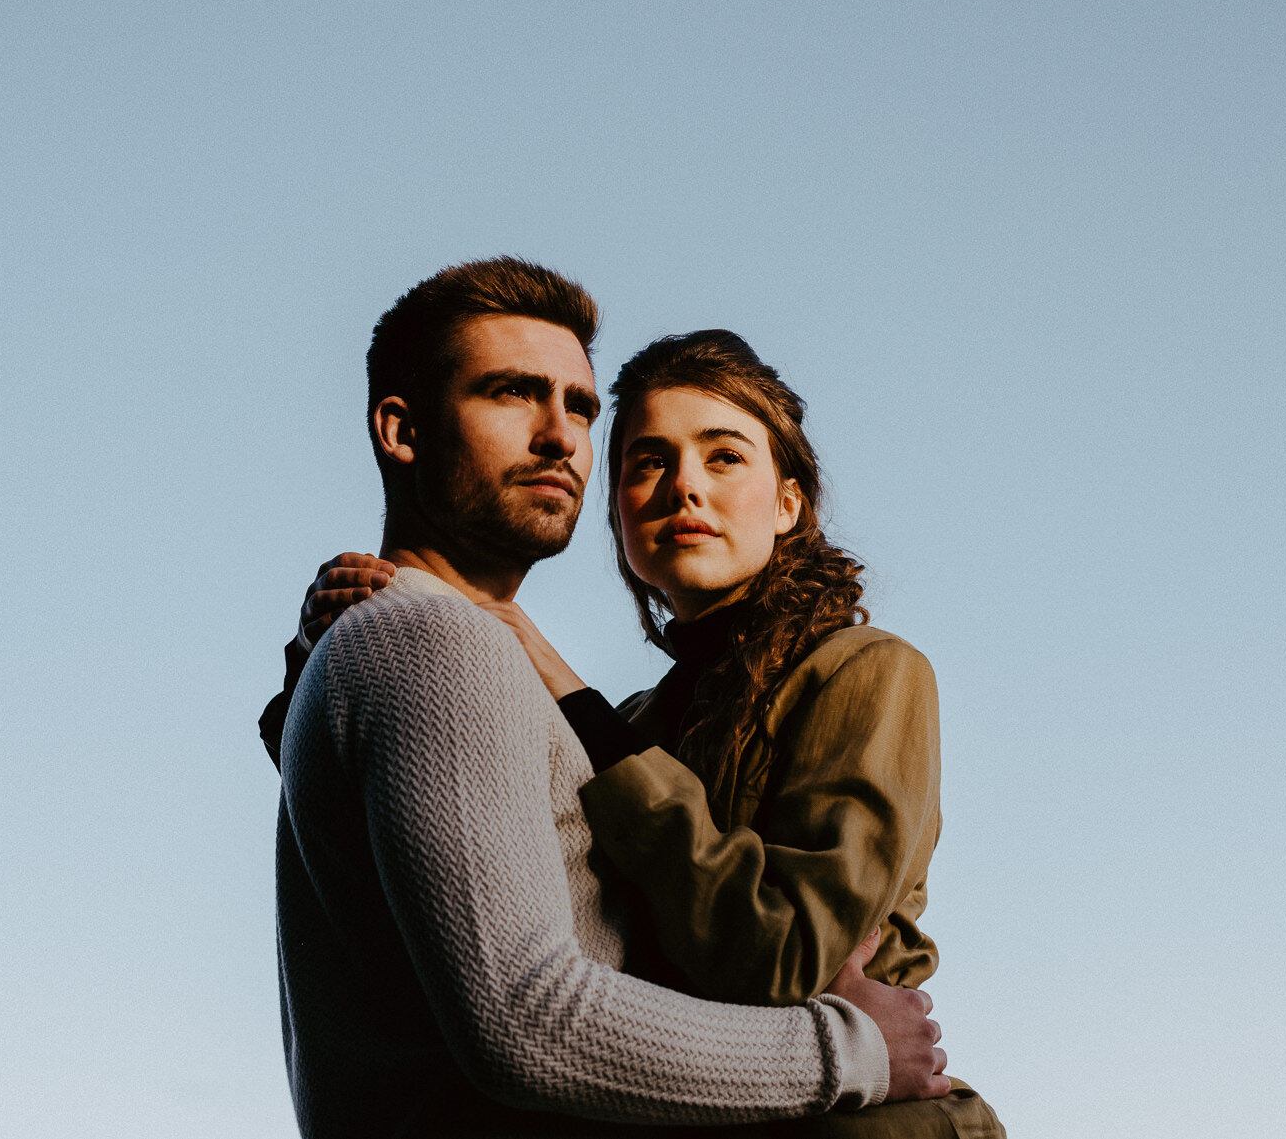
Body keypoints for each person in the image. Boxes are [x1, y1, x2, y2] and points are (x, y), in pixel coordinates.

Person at [271, 257, 948, 1139]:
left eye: (581, 409)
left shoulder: (859, 670)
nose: (560, 437)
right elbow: (527, 1008)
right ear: (402, 430)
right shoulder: (452, 649)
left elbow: (774, 952)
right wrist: (852, 1047)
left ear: (790, 501)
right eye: (515, 393)